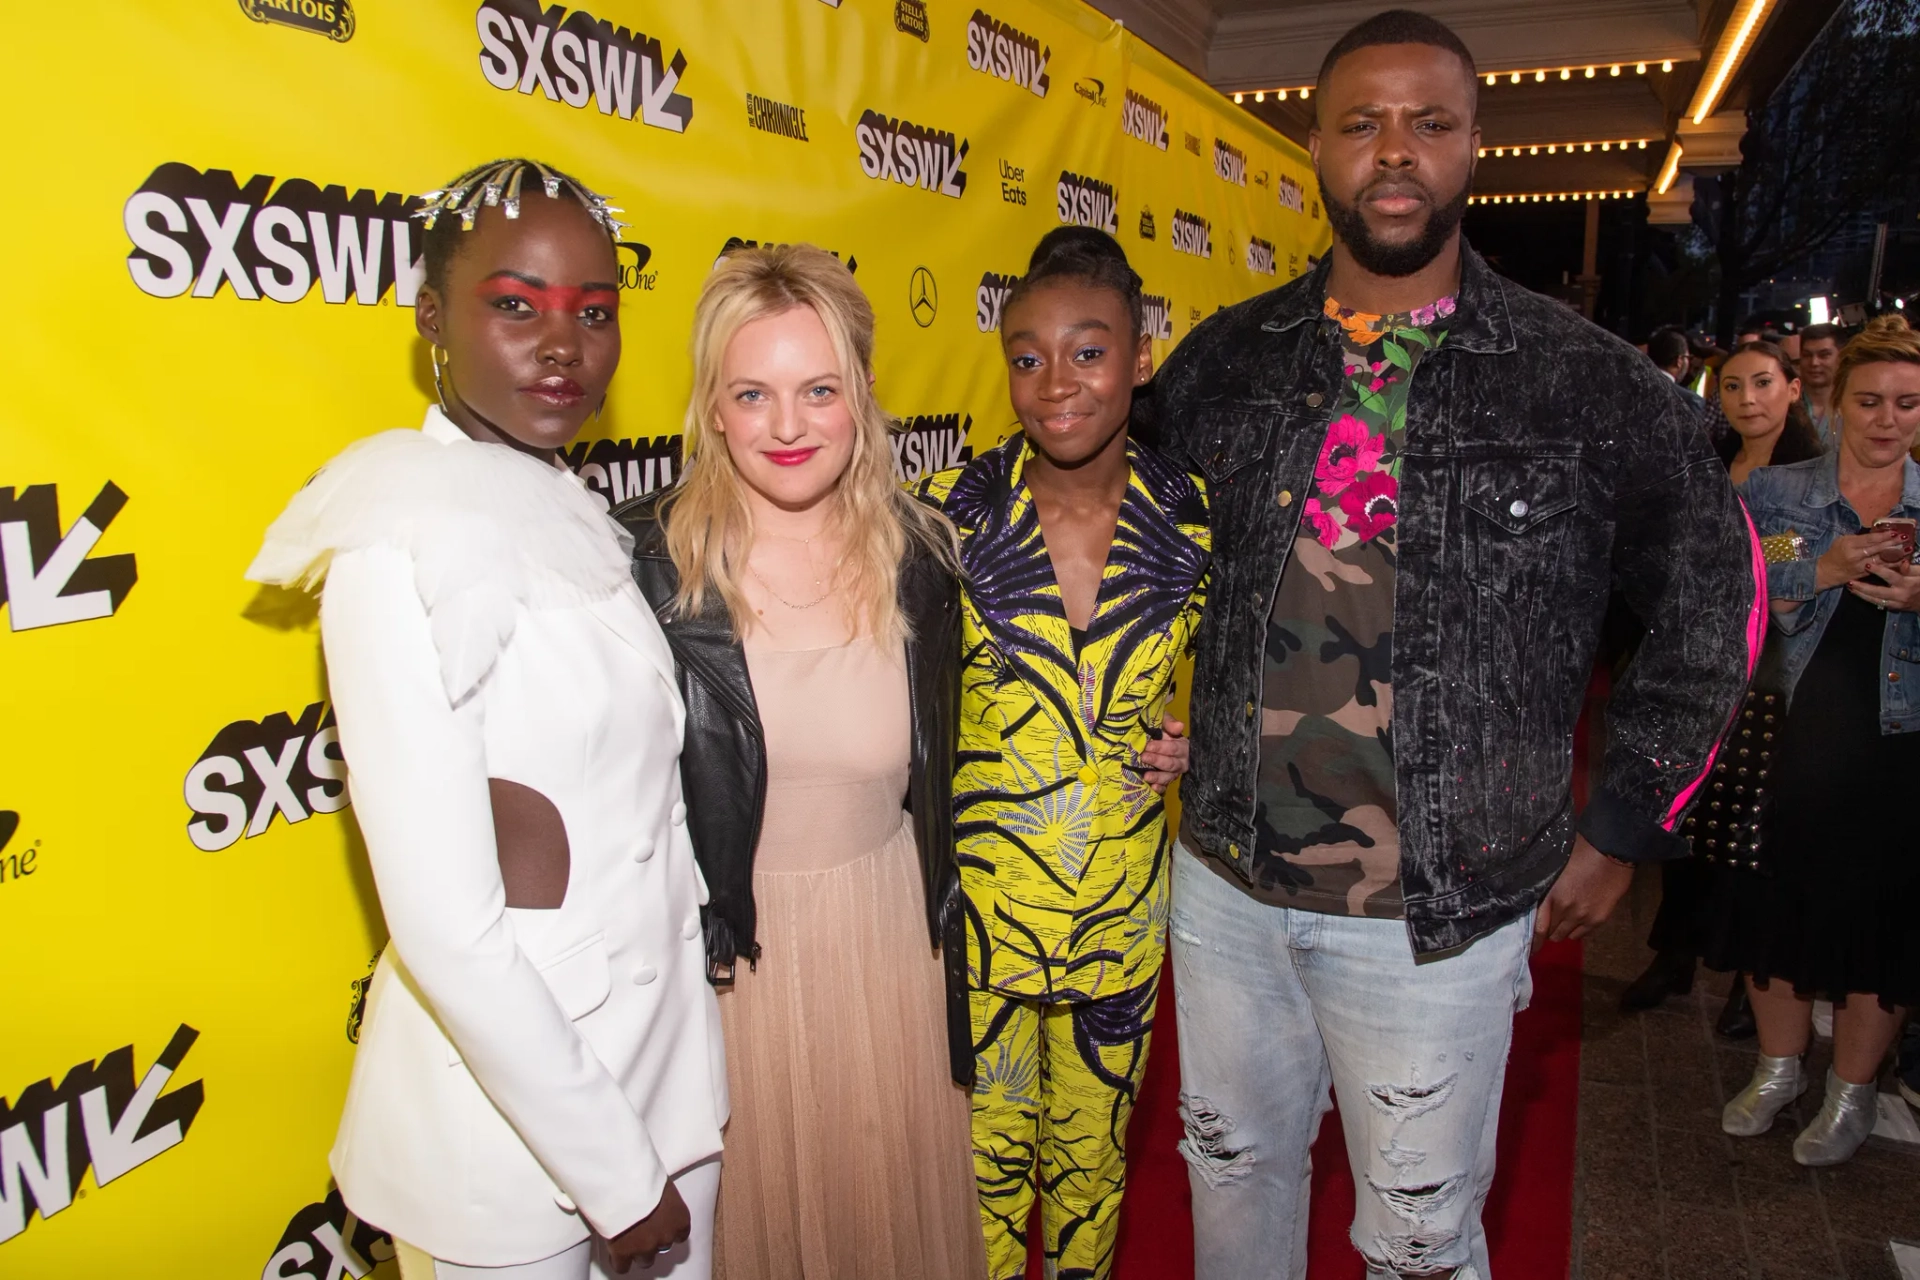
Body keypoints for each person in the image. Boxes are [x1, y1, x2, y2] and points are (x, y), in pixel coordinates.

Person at [1137, 13, 1761, 1278]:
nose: (1395, 153)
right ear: (1315, 146)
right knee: (1231, 1187)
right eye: (1362, 123)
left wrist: (1627, 817)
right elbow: (1141, 550)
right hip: (1226, 891)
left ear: (1473, 144)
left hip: (1442, 915)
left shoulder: (1581, 381)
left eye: (1429, 122)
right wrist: (1143, 698)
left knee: (1419, 1240)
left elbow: (1719, 594)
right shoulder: (1224, 364)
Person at [247, 159, 725, 1279]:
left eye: (593, 313)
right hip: (515, 1149)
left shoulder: (573, 508)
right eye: (515, 305)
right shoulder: (397, 542)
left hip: (662, 1088)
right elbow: (449, 926)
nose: (563, 345)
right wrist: (613, 1170)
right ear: (431, 322)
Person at [616, 245, 984, 1279]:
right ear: (714, 408)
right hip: (727, 971)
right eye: (753, 393)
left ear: (861, 396)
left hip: (887, 952)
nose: (787, 425)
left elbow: (966, 752)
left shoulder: (919, 554)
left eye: (818, 389)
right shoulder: (644, 565)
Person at [916, 227, 1208, 1280]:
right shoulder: (951, 512)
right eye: (1027, 355)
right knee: (982, 1170)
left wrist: (1193, 739)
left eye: (1088, 351)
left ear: (1139, 354)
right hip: (982, 911)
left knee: (1091, 1168)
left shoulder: (1195, 517)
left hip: (1123, 913)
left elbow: (1237, 686)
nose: (1055, 383)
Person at [1706, 313, 1920, 1167]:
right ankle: (1779, 1069)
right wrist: (1823, 568)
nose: (1887, 419)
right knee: (1773, 904)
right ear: (1836, 403)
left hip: (1898, 744)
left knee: (1879, 918)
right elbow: (1743, 590)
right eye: (1870, 400)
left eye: (1907, 404)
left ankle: (1852, 1092)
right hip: (1784, 731)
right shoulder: (1781, 494)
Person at [1717, 340, 1827, 486]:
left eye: (1763, 383)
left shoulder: (1818, 472)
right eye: (1732, 386)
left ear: (1793, 390)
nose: (1746, 399)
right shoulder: (1705, 465)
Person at [1798, 322, 1844, 446]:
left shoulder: (1856, 407)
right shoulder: (1784, 405)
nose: (1814, 362)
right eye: (1807, 355)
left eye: (1824, 355)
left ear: (1841, 357)